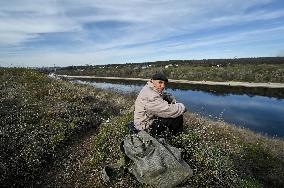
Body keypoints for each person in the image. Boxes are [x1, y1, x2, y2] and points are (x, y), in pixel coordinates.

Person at [133, 72, 186, 137]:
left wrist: (171, 99)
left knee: (168, 104)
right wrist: (182, 107)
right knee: (177, 116)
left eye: (164, 83)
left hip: (144, 120)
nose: (163, 86)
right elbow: (169, 110)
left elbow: (163, 94)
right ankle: (176, 137)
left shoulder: (149, 88)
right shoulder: (151, 96)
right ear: (152, 81)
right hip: (144, 127)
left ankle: (171, 133)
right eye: (160, 82)